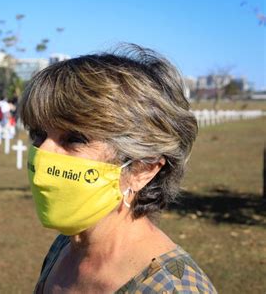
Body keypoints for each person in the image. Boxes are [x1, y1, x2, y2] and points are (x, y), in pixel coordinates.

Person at [19, 44, 217, 293]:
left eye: (75, 138)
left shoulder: (172, 289)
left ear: (142, 169)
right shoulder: (64, 248)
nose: (42, 154)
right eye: (38, 134)